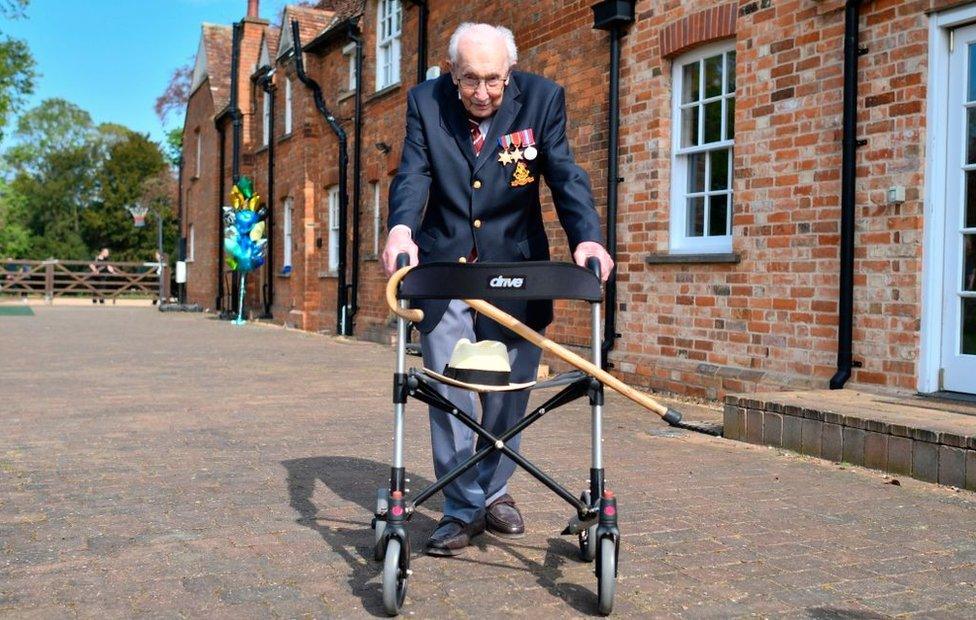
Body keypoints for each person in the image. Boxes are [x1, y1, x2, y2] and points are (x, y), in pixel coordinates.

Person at [382, 22, 614, 557]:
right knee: (449, 388)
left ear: (509, 73)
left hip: (518, 266)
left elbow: (564, 174)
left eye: (493, 80)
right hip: (445, 268)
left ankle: (497, 491)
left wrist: (587, 241)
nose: (482, 93)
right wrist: (400, 230)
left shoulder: (543, 98)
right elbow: (413, 174)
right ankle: (462, 508)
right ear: (450, 73)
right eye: (469, 80)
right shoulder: (424, 101)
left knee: (510, 393)